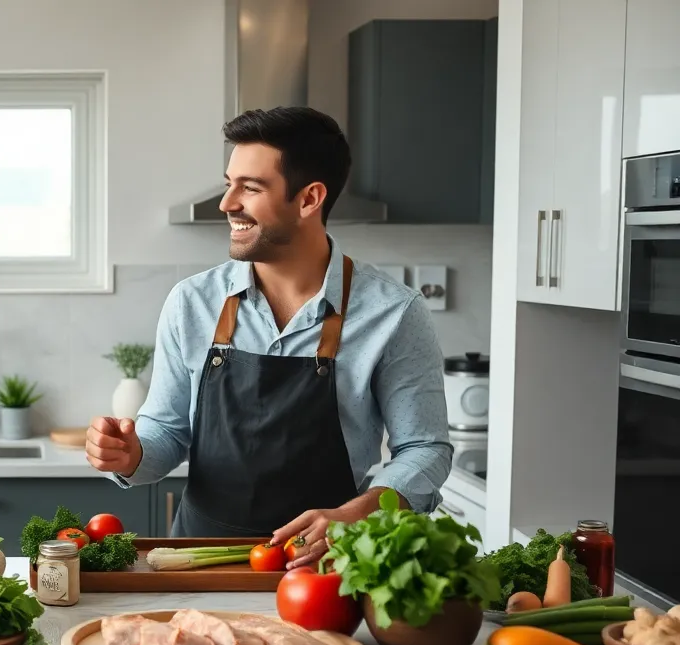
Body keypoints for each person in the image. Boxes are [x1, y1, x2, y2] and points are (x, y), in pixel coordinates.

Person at [85, 106, 452, 569]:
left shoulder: (393, 314)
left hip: (328, 566)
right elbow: (168, 430)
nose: (227, 203)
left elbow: (424, 448)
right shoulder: (192, 302)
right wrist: (130, 453)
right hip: (201, 561)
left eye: (250, 188)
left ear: (308, 199)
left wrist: (358, 514)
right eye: (228, 183)